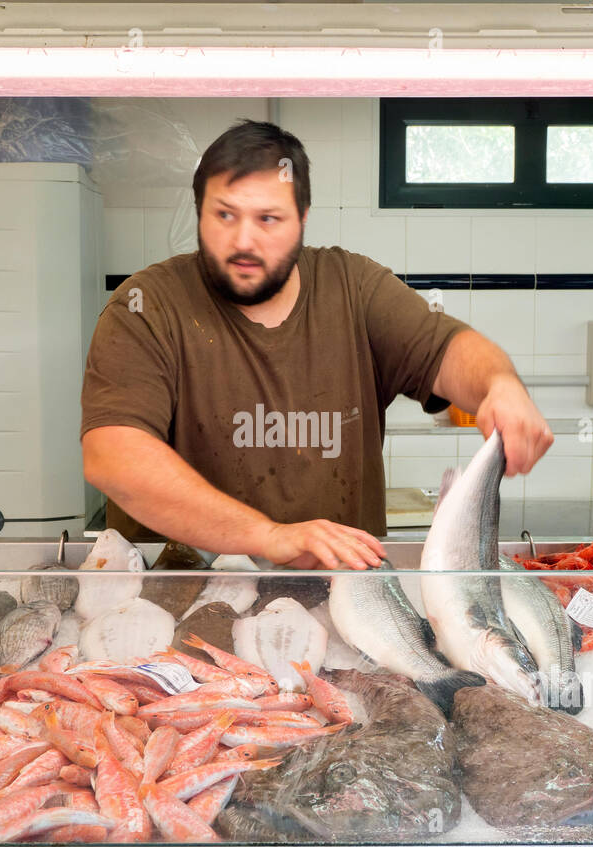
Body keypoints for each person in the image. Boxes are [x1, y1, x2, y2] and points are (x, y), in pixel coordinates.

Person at [81, 119, 553, 570]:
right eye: (224, 215)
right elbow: (114, 455)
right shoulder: (145, 306)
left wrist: (499, 385)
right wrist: (269, 536)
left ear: (302, 219)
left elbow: (449, 349)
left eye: (268, 218)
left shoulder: (353, 287)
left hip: (342, 596)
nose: (244, 240)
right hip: (170, 605)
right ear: (199, 211)